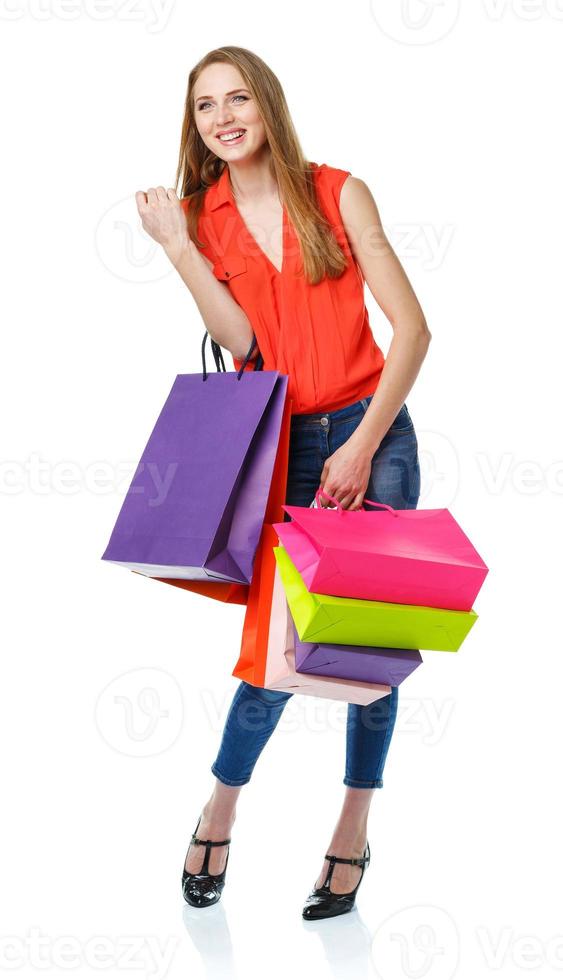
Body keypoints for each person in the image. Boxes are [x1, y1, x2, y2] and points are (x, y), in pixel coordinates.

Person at [135, 45, 431, 920]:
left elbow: (412, 333)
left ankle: (350, 831)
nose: (222, 118)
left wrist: (359, 445)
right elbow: (242, 343)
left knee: (370, 653)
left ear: (267, 106)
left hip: (373, 439)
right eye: (203, 107)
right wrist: (178, 249)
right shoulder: (203, 215)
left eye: (236, 100)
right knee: (276, 653)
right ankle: (219, 812)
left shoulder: (338, 191)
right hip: (280, 448)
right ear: (193, 125)